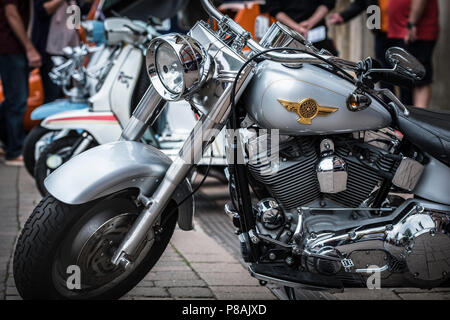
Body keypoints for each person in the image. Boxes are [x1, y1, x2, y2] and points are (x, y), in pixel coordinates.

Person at [0, 0, 42, 166]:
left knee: (14, 99)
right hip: (11, 46)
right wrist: (29, 47)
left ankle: (10, 144)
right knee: (17, 100)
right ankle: (15, 151)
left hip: (13, 46)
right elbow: (11, 14)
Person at [328, 0, 393, 89]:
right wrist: (343, 16)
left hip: (403, 34)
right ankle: (387, 103)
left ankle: (407, 102)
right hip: (381, 34)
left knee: (405, 75)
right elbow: (360, 3)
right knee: (382, 72)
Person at [388, 0, 440, 108]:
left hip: (418, 32)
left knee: (420, 79)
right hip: (403, 30)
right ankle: (409, 117)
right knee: (406, 79)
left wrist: (412, 23)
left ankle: (419, 120)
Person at [265, 0, 338, 55]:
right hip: (287, 37)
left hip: (317, 37)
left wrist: (309, 23)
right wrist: (298, 27)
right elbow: (273, 9)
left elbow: (328, 3)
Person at [31, 0, 66, 103]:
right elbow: (41, 10)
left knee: (65, 92)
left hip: (69, 46)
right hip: (50, 48)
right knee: (53, 93)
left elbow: (75, 18)